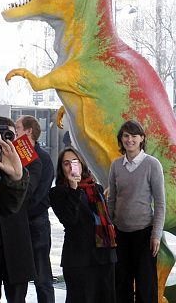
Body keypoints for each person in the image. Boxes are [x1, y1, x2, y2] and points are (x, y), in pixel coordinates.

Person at [0, 116, 39, 303]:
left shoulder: (30, 161)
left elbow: (27, 196)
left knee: (17, 298)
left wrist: (14, 171)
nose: (3, 140)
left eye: (9, 136)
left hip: (16, 241)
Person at [107, 120, 165, 303]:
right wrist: (109, 230)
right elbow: (112, 199)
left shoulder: (152, 164)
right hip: (120, 235)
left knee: (146, 288)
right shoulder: (116, 165)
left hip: (145, 235)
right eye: (125, 136)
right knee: (121, 285)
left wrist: (156, 235)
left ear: (142, 139)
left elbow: (161, 203)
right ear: (121, 139)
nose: (129, 140)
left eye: (134, 136)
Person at [50, 147, 117, 303]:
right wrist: (73, 189)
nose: (71, 166)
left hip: (104, 256)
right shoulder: (58, 192)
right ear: (62, 168)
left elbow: (107, 220)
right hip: (79, 258)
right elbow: (69, 220)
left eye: (75, 161)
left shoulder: (96, 188)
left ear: (81, 164)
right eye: (66, 163)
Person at [15, 115, 55, 303]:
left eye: (17, 128)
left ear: (28, 131)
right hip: (19, 222)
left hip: (36, 221)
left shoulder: (43, 158)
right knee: (18, 276)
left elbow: (41, 192)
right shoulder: (14, 155)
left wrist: (19, 208)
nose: (14, 132)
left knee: (42, 276)